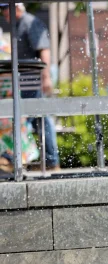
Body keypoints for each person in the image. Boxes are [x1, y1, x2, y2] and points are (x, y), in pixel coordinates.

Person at [0, 3, 60, 171]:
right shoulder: (17, 26)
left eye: (6, 11)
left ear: (16, 8)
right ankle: (21, 159)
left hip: (34, 81)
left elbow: (44, 50)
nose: (4, 16)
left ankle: (50, 160)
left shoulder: (30, 22)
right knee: (26, 120)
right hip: (24, 82)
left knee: (40, 119)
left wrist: (46, 77)